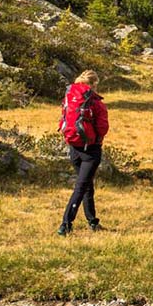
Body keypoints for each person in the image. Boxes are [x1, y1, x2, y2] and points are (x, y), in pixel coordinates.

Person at [58, 70, 109, 235]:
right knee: (80, 187)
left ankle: (92, 221)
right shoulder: (96, 103)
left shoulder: (69, 98)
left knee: (86, 185)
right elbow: (103, 128)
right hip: (91, 150)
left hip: (74, 147)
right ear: (94, 85)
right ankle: (65, 224)